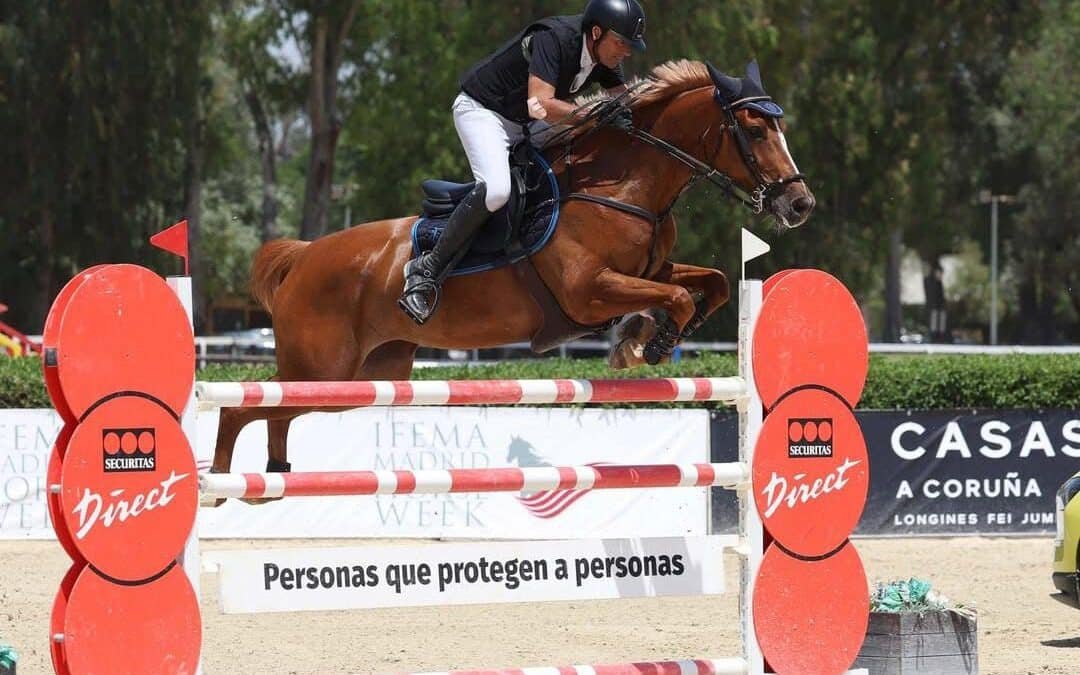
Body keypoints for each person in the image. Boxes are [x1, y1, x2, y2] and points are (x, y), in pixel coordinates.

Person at [398, 0, 647, 325]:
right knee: (497, 191)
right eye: (622, 43)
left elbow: (623, 100)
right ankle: (425, 270)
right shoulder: (554, 38)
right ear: (597, 32)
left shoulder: (604, 55)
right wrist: (590, 114)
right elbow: (538, 106)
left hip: (525, 120)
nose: (626, 51)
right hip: (484, 111)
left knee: (582, 149)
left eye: (630, 45)